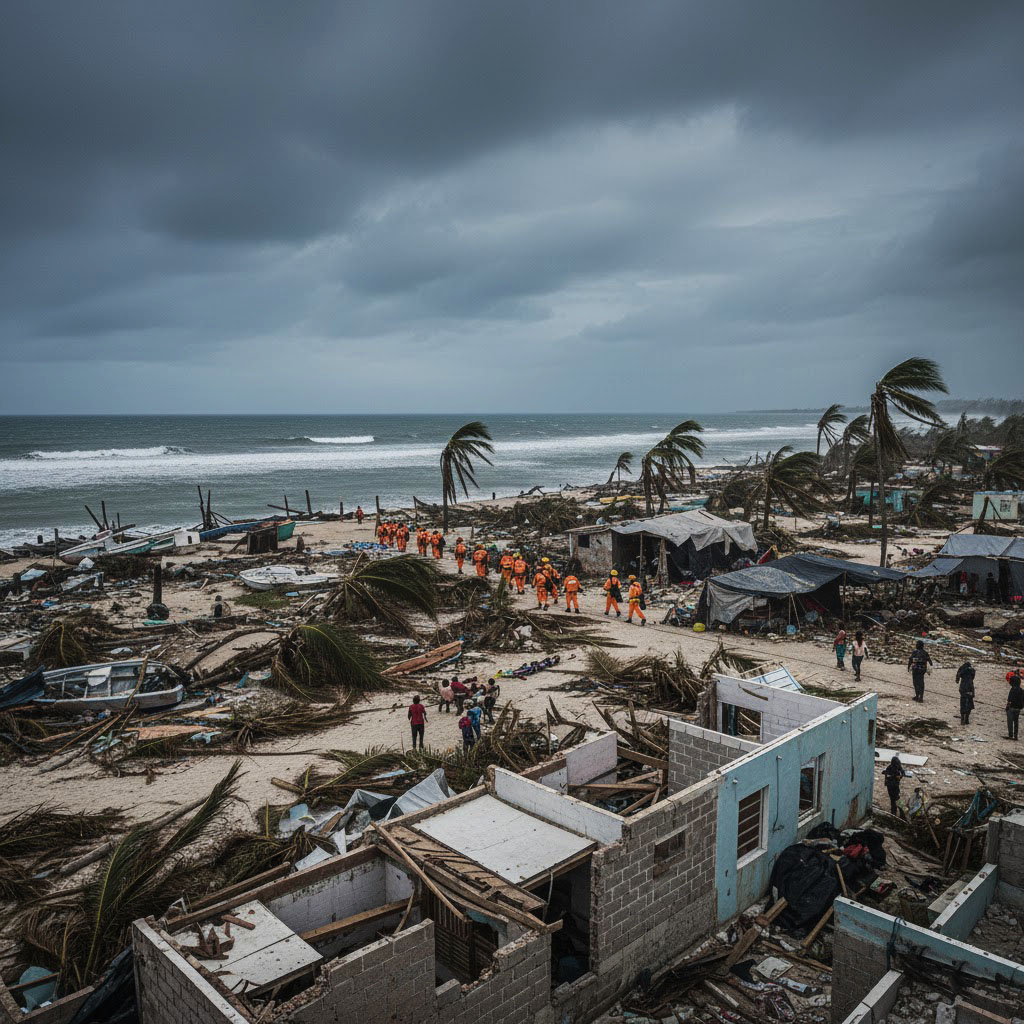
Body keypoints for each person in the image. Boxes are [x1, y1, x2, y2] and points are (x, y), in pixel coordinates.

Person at [956, 660, 976, 725]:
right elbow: (973, 676)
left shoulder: (963, 670)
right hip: (969, 688)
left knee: (963, 703)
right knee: (969, 702)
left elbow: (958, 676)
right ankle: (966, 718)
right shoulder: (971, 670)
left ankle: (963, 718)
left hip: (964, 688)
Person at [1007, 670, 1023, 741]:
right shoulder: (1022, 690)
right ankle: (1015, 735)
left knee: (1010, 721)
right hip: (1018, 708)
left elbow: (1010, 700)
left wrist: (1007, 707)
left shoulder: (1012, 689)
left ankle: (1010, 735)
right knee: (1016, 722)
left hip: (1011, 708)